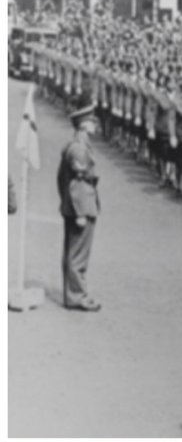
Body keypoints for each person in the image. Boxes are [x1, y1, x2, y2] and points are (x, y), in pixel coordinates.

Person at [56, 91, 101, 311]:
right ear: (84, 124)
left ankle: (74, 293)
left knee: (74, 252)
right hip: (81, 207)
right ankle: (76, 296)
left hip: (78, 206)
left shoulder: (78, 145)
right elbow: (75, 184)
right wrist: (81, 213)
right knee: (78, 255)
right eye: (92, 120)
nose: (95, 124)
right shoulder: (79, 149)